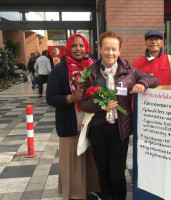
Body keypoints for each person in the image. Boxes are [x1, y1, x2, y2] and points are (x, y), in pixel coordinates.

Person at [79, 31, 159, 200]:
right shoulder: (91, 73)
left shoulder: (129, 71)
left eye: (114, 49)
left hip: (120, 131)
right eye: (106, 49)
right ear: (100, 49)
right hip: (98, 130)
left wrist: (142, 84)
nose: (110, 53)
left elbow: (154, 79)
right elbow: (82, 103)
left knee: (117, 174)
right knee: (103, 171)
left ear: (119, 50)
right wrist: (101, 107)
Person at [46, 34, 100, 200]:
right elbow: (51, 98)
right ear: (69, 48)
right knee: (72, 161)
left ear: (87, 48)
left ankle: (91, 189)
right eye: (75, 46)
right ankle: (73, 194)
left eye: (81, 46)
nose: (78, 49)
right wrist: (71, 98)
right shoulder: (60, 69)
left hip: (91, 123)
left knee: (91, 160)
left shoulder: (94, 66)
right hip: (70, 124)